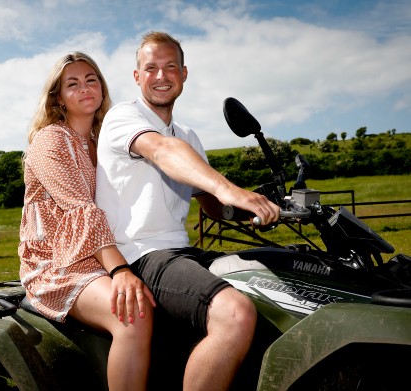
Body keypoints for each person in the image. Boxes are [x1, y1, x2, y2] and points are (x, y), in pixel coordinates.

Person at [95, 32, 280, 390]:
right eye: (151, 68)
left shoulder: (188, 136)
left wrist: (255, 208)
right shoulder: (123, 117)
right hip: (140, 255)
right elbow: (161, 151)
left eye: (170, 67)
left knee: (275, 276)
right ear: (137, 77)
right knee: (235, 314)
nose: (161, 76)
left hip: (181, 253)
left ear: (184, 73)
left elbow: (213, 206)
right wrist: (227, 186)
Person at [18, 51, 156, 391]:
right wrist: (121, 271)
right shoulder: (51, 139)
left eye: (91, 79)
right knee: (133, 315)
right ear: (59, 98)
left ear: (102, 87)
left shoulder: (101, 143)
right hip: (57, 263)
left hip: (100, 253)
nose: (84, 88)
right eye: (73, 84)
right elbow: (81, 209)